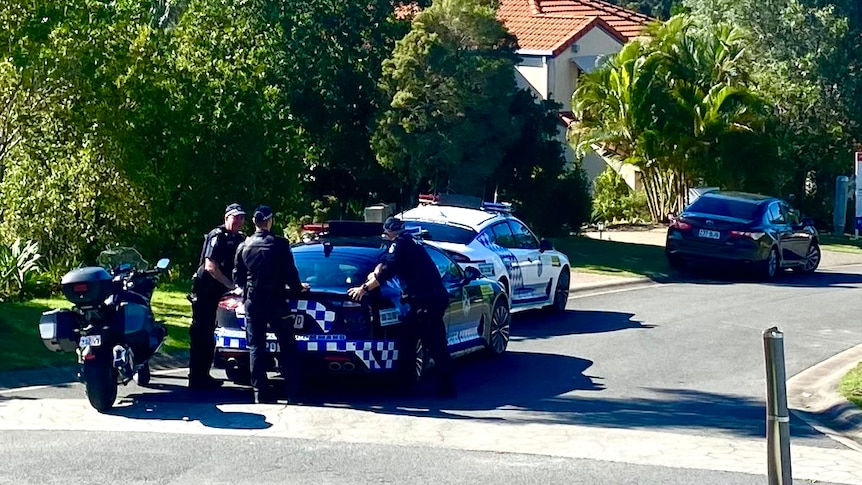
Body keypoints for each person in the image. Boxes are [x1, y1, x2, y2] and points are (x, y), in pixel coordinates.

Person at [347, 217, 456, 397]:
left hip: (424, 302)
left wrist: (363, 288)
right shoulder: (410, 242)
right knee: (422, 342)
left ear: (389, 232)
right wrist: (378, 270)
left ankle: (419, 386)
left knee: (423, 343)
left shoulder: (399, 245)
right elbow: (387, 264)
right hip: (430, 300)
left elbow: (387, 271)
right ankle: (435, 385)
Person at [234, 205, 307, 404]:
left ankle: (260, 392)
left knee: (256, 346)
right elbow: (291, 274)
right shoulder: (280, 245)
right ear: (270, 221)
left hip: (253, 301)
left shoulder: (244, 245)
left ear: (254, 222)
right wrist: (299, 288)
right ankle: (293, 392)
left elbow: (237, 277)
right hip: (276, 301)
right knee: (287, 345)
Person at [187, 203, 246, 390]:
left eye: (241, 218)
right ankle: (196, 377)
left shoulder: (240, 239)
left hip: (222, 294)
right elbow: (210, 266)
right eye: (235, 217)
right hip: (206, 291)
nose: (238, 221)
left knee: (212, 334)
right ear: (226, 217)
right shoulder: (217, 236)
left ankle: (204, 374)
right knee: (201, 333)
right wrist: (231, 285)